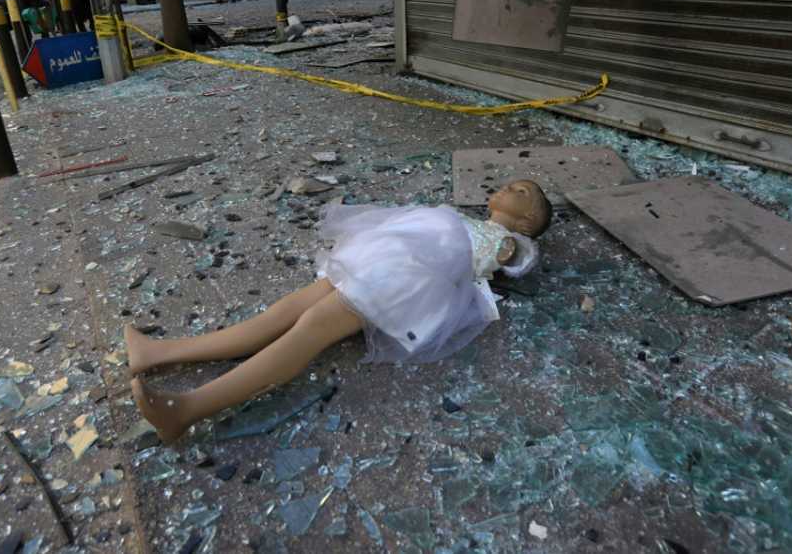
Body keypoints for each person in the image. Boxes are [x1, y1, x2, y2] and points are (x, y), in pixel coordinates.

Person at [127, 180, 553, 443]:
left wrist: (512, 246)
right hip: (381, 263)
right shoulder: (465, 219)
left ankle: (186, 409)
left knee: (309, 328)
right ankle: (160, 353)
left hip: (404, 283)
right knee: (286, 311)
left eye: (521, 192)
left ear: (528, 219)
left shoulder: (506, 242)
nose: (506, 187)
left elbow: (517, 262)